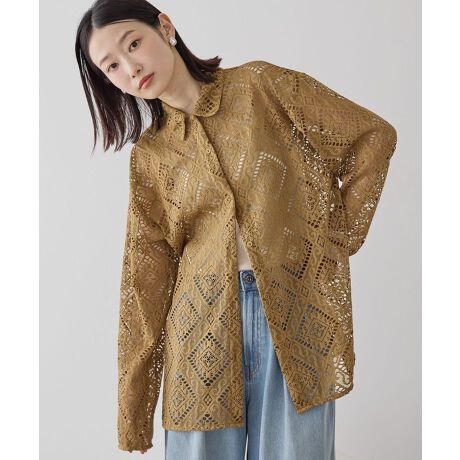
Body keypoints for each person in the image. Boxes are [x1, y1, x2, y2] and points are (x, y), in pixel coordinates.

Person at [75, 1, 397, 458]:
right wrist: (133, 408)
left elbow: (372, 137)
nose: (131, 68)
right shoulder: (150, 156)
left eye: (133, 44)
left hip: (294, 317)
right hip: (198, 334)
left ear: (164, 27)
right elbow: (145, 282)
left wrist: (336, 238)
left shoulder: (260, 87)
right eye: (111, 66)